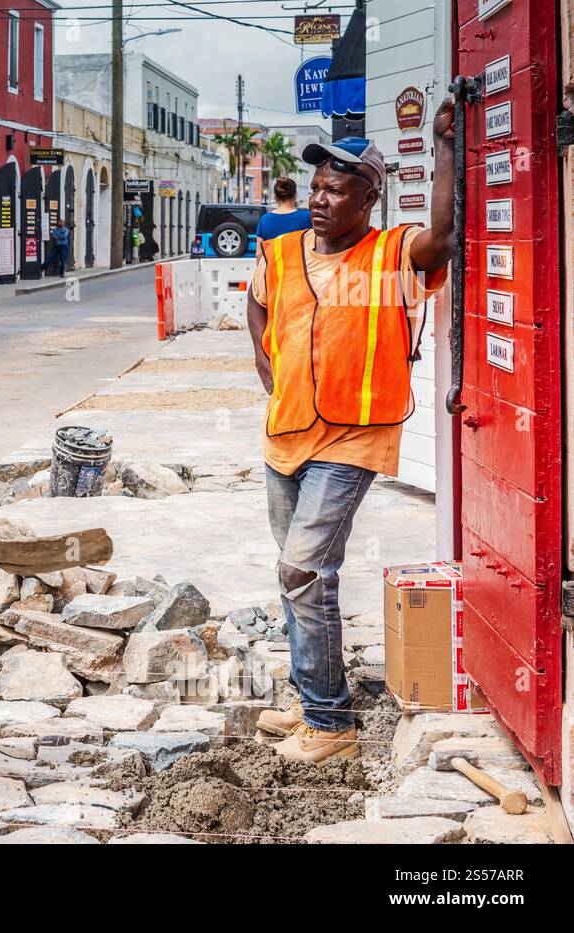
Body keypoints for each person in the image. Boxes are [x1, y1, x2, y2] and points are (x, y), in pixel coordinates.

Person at [244, 105, 454, 764]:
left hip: (352, 439)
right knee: (305, 580)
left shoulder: (392, 253)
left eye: (337, 189)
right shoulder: (279, 252)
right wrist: (269, 369)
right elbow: (256, 304)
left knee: (300, 567)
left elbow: (443, 239)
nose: (319, 198)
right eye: (315, 186)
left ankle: (332, 725)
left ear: (369, 197)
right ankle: (312, 698)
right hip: (286, 436)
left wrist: (446, 147)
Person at [255, 177, 313, 241]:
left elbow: (259, 250)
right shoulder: (307, 217)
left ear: (275, 197)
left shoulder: (265, 220)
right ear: (295, 195)